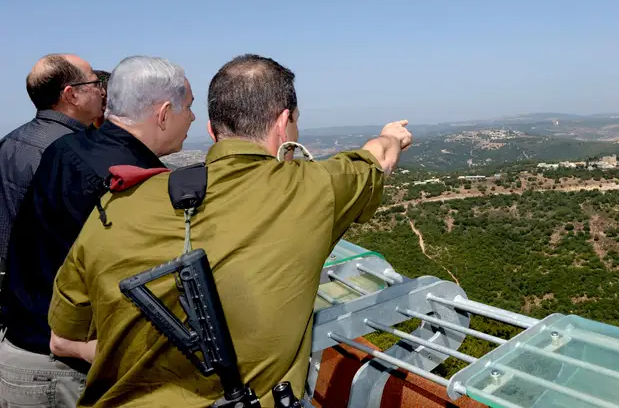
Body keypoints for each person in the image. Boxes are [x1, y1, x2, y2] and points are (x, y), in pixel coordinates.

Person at [48, 54, 412, 407]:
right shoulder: (313, 188)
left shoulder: (115, 206)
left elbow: (62, 340)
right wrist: (392, 135)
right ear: (283, 122)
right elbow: (378, 156)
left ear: (211, 130)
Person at [0, 56, 195, 408]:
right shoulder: (129, 181)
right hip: (63, 371)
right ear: (164, 113)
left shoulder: (66, 148)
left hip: (24, 350)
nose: (193, 118)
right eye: (189, 107)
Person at [0, 54, 104, 279]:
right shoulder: (75, 154)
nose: (102, 91)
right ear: (71, 94)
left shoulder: (9, 142)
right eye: (96, 83)